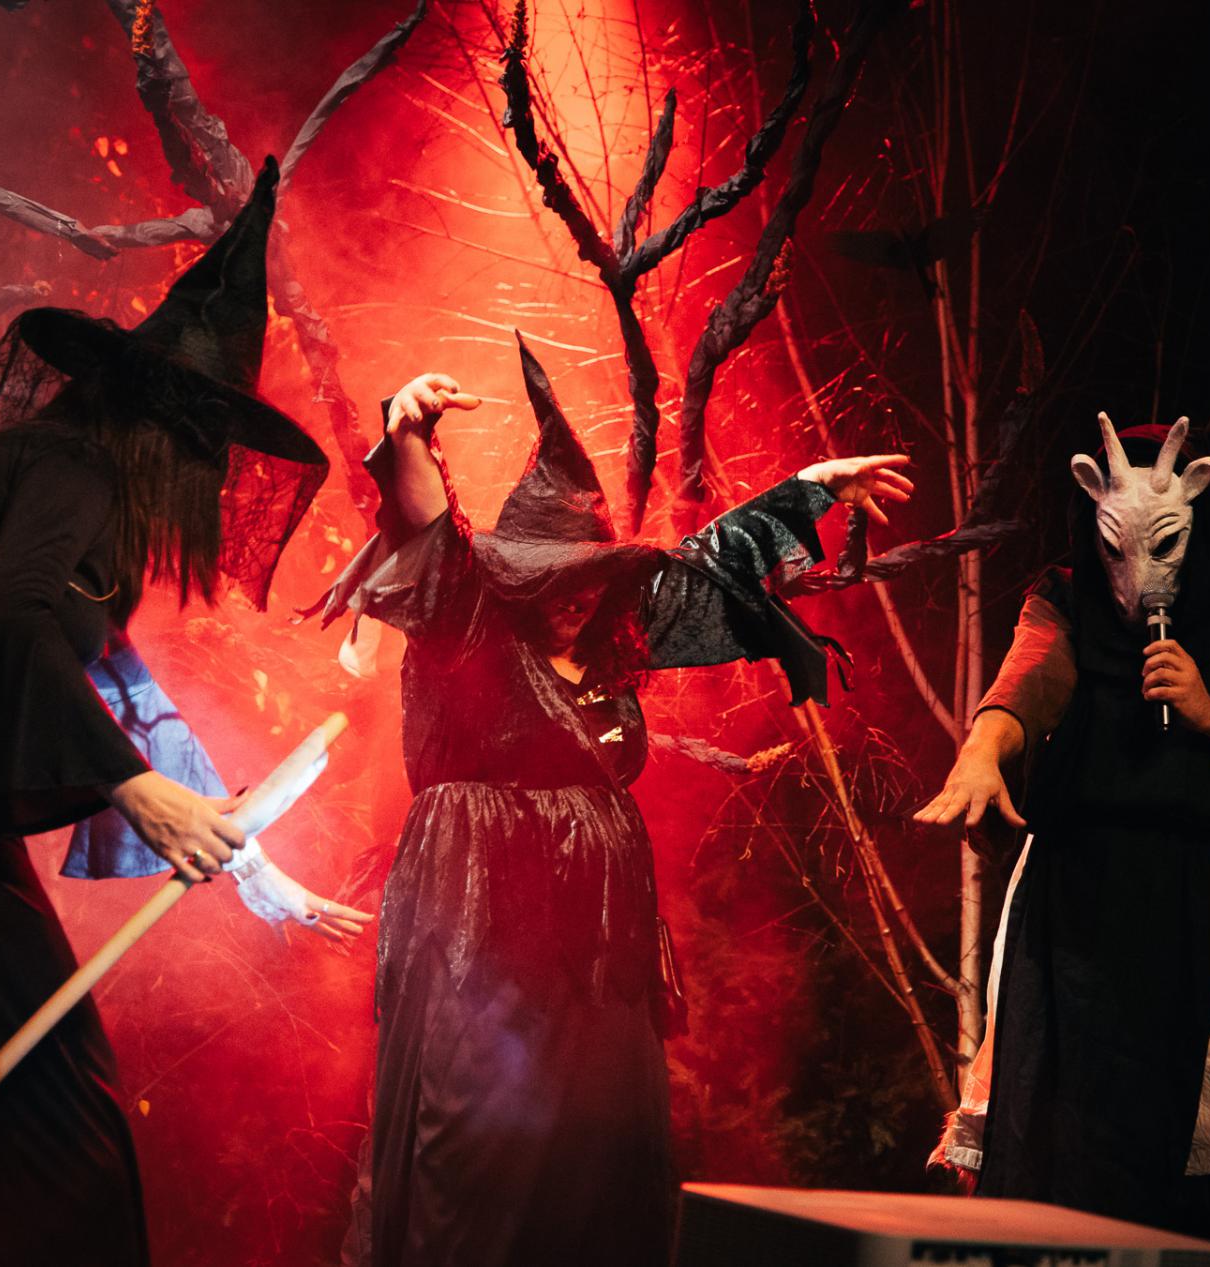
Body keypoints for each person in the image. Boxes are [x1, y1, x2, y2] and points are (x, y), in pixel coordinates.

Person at [0, 158, 346, 1266]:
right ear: (165, 431)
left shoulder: (76, 493)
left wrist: (246, 856)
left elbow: (124, 695)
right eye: (205, 447)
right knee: (49, 1097)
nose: (211, 478)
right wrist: (131, 787)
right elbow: (12, 622)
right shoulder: (74, 466)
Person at [314, 338, 911, 1267]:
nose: (577, 597)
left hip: (598, 937)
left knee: (602, 1150)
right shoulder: (466, 619)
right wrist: (407, 435)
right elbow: (428, 536)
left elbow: (712, 561)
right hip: (482, 919)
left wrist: (812, 488)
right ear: (517, 577)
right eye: (556, 578)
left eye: (591, 578)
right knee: (477, 1142)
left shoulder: (616, 637)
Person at [917, 414, 1210, 1253]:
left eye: (1162, 544)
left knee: (1191, 1164)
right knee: (1062, 1141)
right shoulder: (1069, 595)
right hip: (1077, 908)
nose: (1134, 577)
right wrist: (981, 750)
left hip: (1205, 899)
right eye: (1116, 546)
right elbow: (1032, 673)